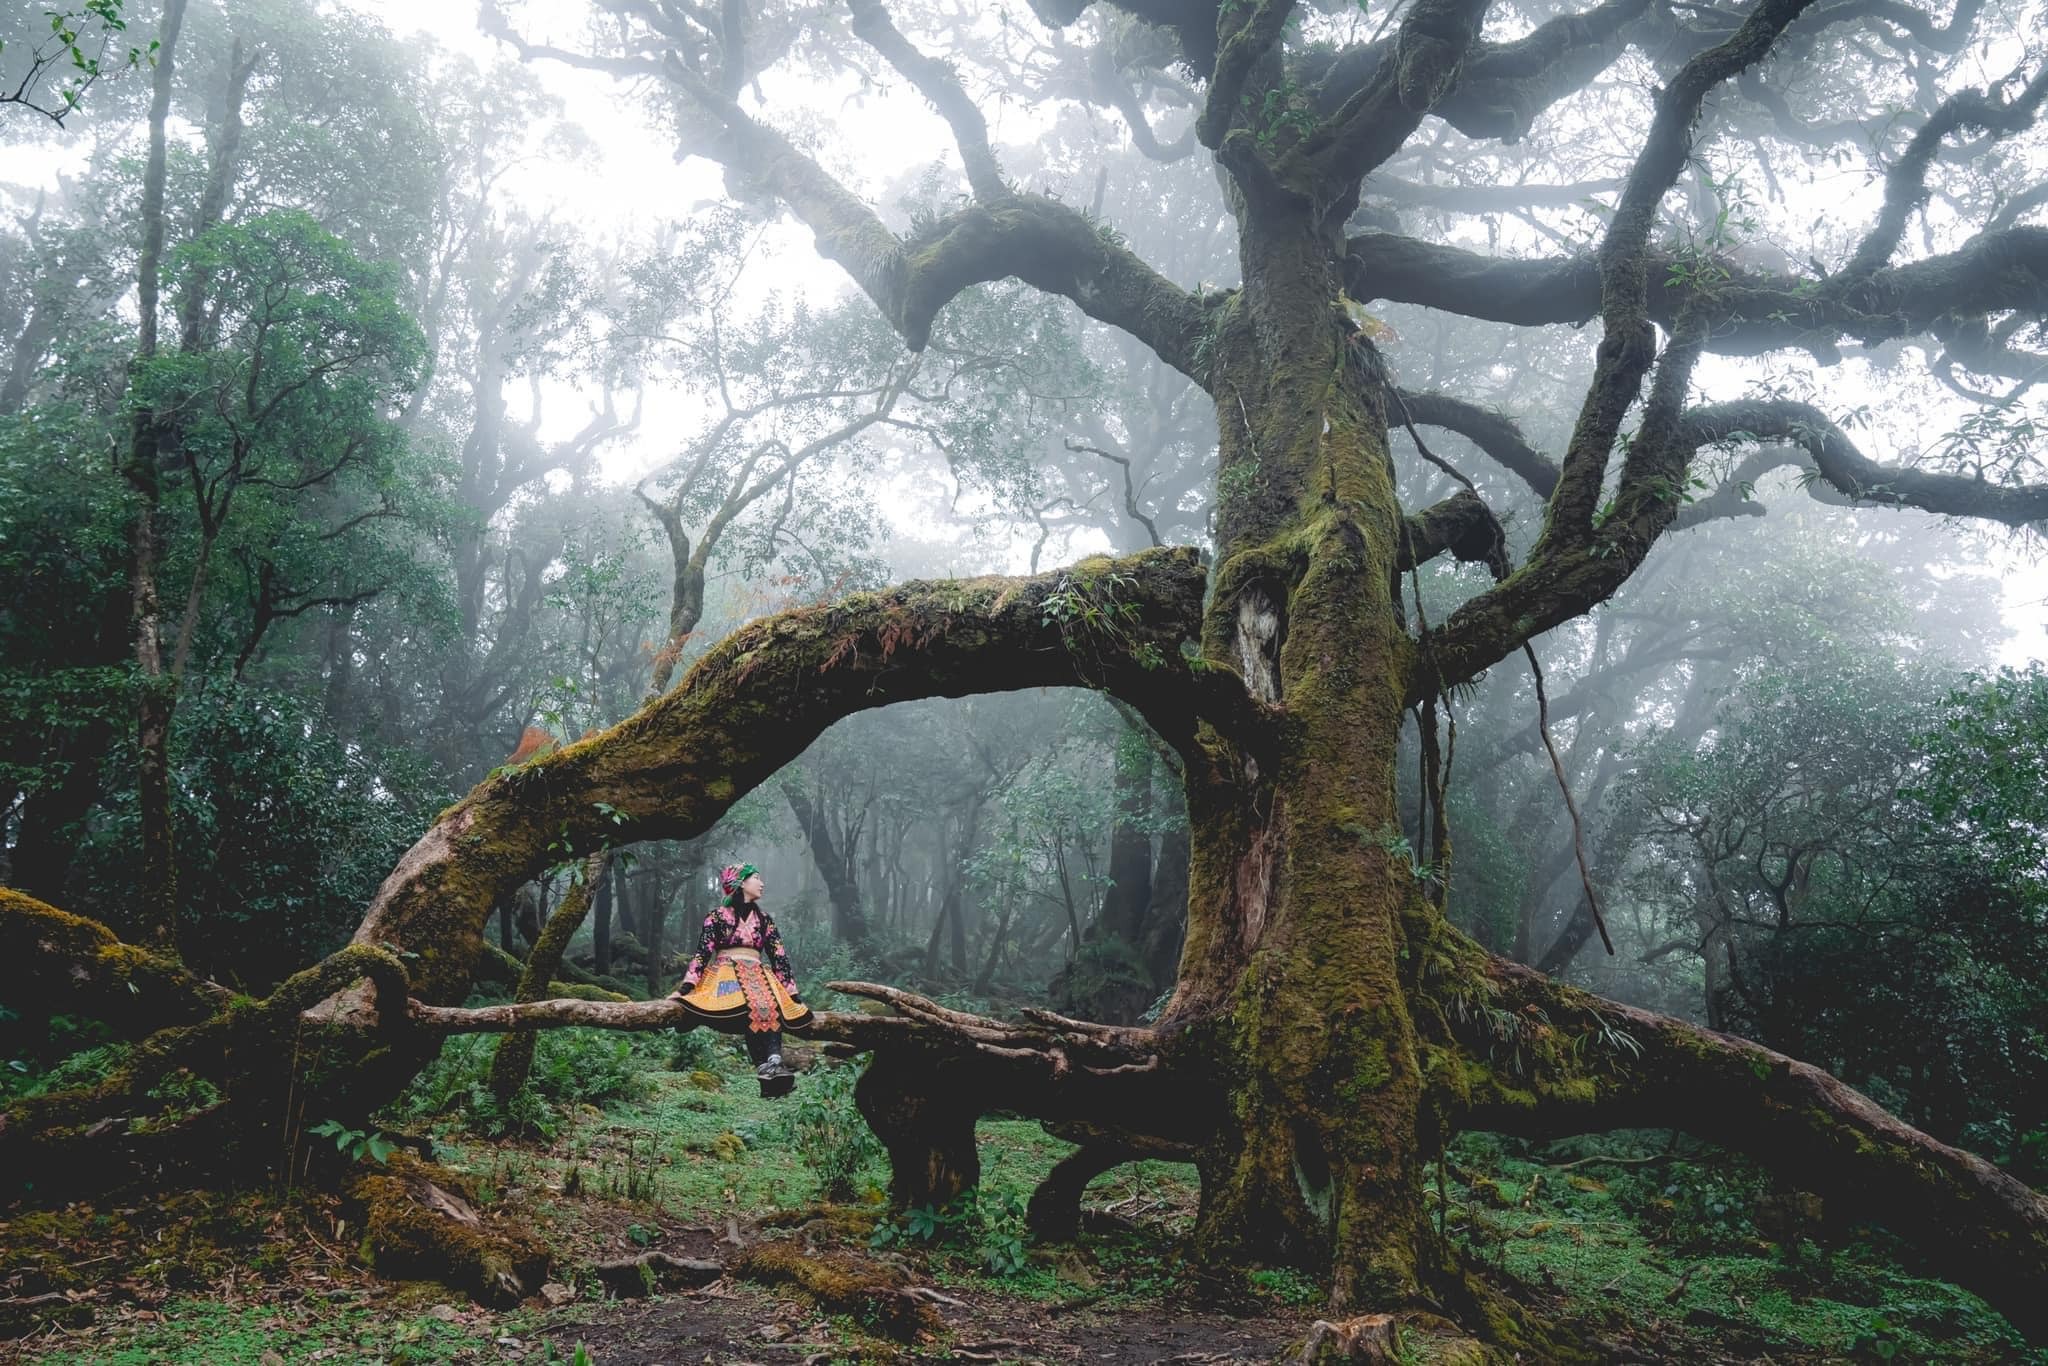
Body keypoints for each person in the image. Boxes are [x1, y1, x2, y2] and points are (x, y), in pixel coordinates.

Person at [666, 862, 812, 1097]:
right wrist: (686, 988)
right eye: (757, 878)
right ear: (742, 883)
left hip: (757, 972)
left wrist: (793, 994)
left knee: (767, 999)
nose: (762, 883)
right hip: (726, 974)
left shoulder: (764, 920)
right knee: (757, 1001)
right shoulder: (716, 917)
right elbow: (703, 953)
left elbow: (779, 958)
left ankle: (772, 1066)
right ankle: (770, 1067)